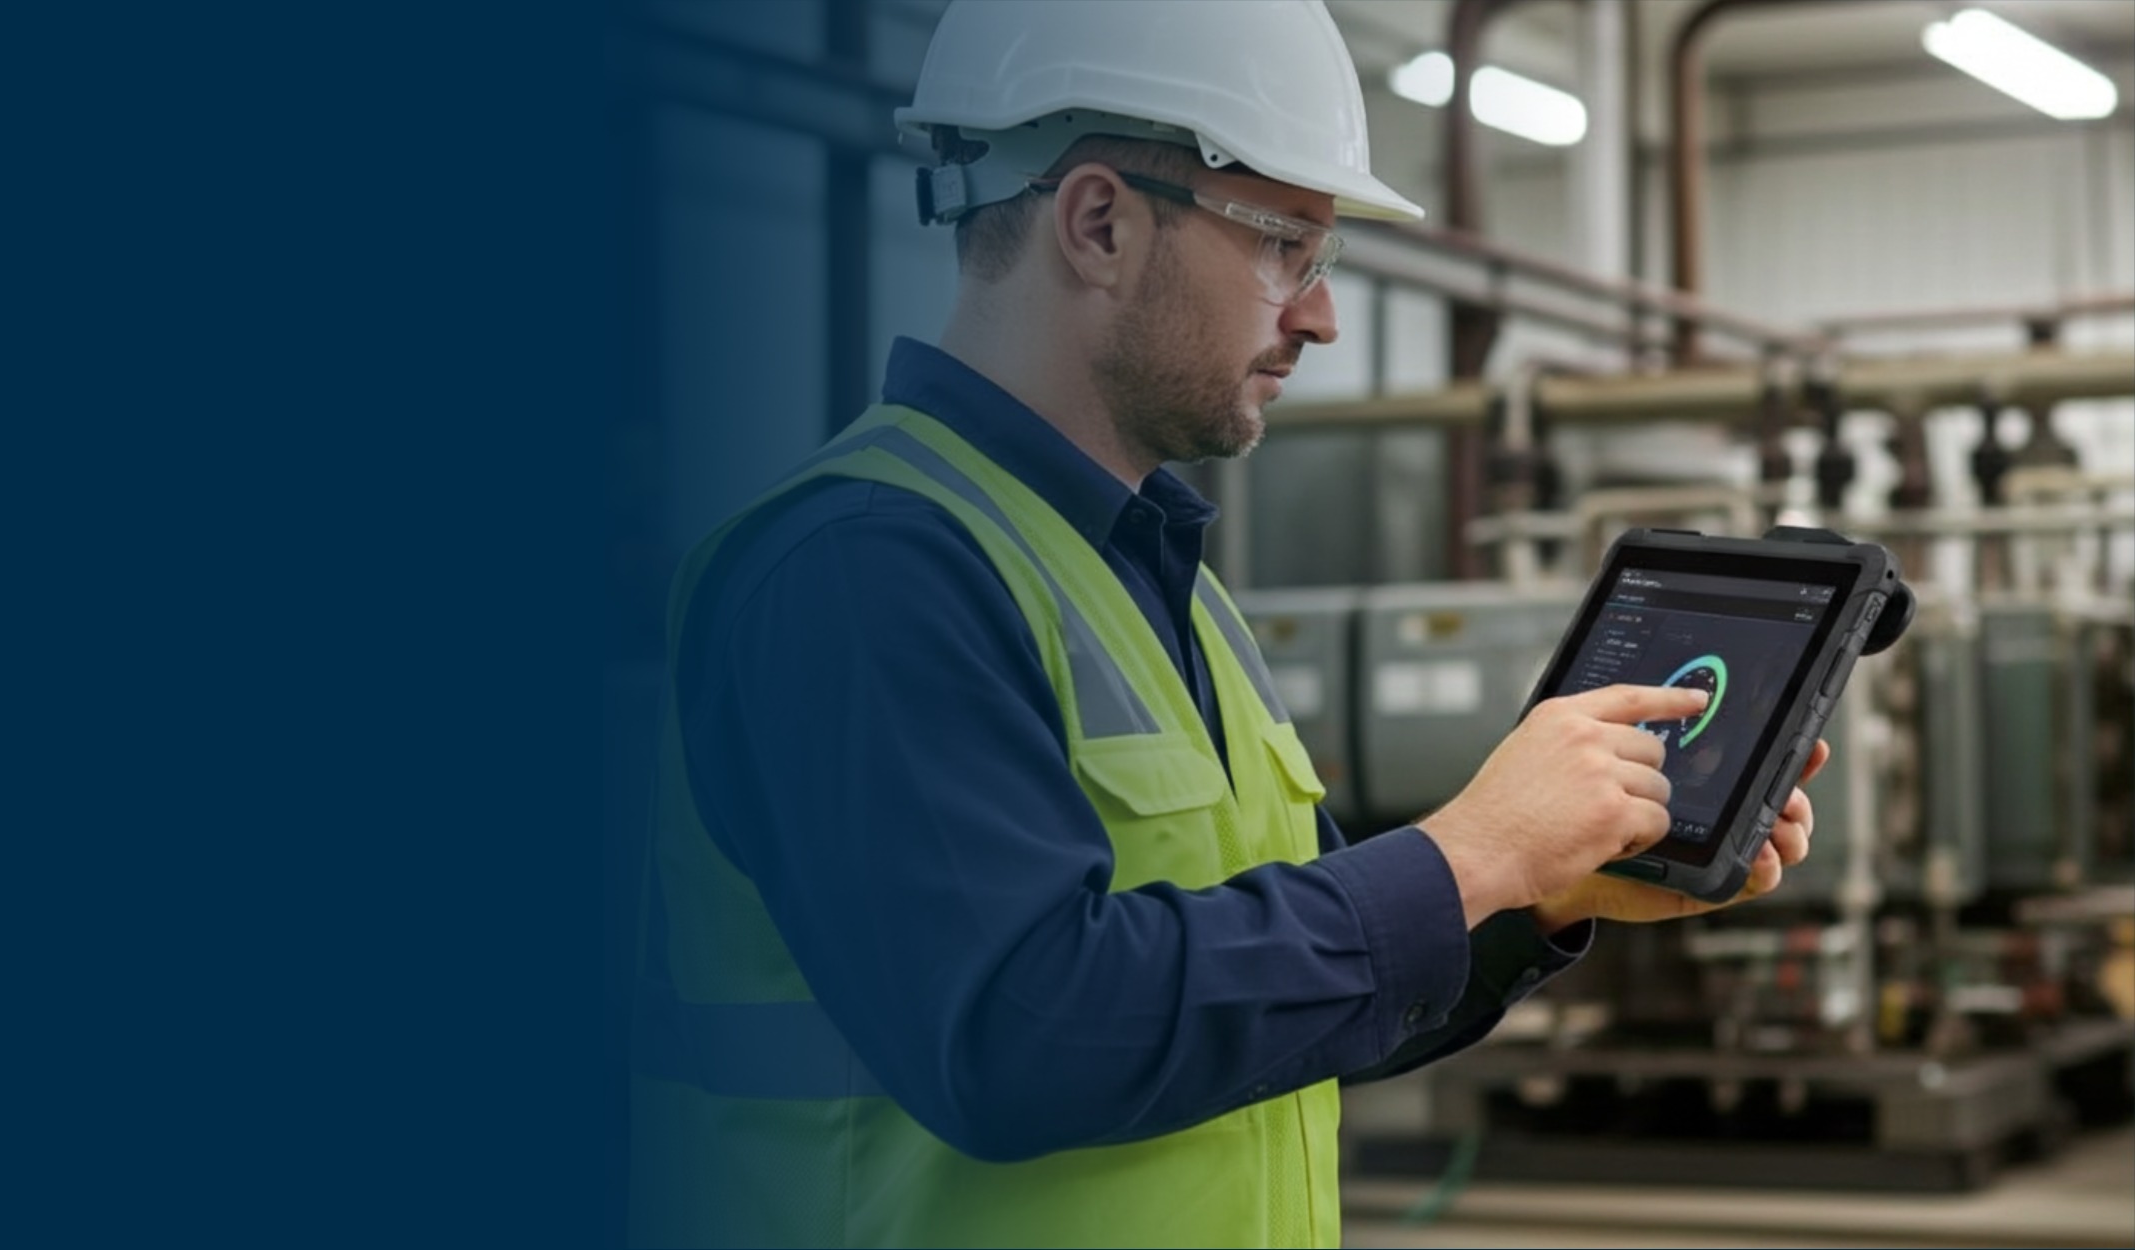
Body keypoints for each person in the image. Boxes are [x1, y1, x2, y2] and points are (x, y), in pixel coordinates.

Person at [628, 2, 1825, 1246]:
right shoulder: (862, 567)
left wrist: (1539, 894)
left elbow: (1275, 1002)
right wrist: (1466, 853)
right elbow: (1020, 1031)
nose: (1321, 316)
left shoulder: (1161, 580)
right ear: (1099, 224)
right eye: (1285, 247)